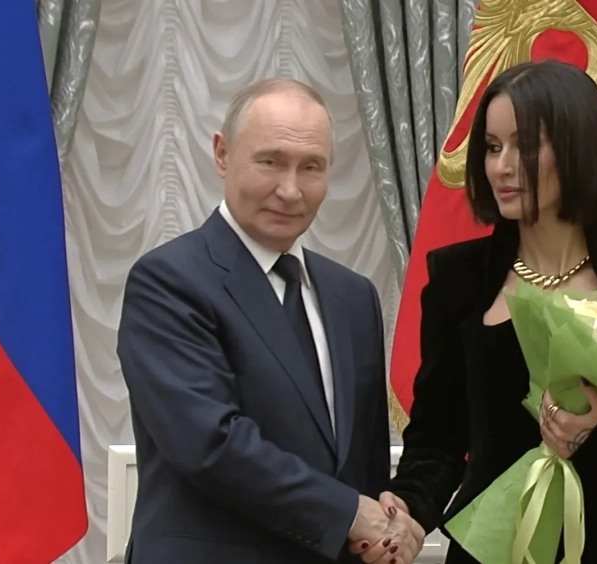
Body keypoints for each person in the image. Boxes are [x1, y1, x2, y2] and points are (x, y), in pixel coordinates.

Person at [357, 60, 597, 563]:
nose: (501, 166)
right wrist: (409, 512)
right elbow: (437, 440)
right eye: (492, 147)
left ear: (577, 148)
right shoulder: (457, 280)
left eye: (525, 146)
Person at [117, 78, 424, 564]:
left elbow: (361, 463)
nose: (290, 190)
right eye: (270, 162)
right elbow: (211, 444)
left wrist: (386, 527)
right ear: (222, 154)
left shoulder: (353, 297)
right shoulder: (168, 281)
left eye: (311, 167)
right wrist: (348, 514)